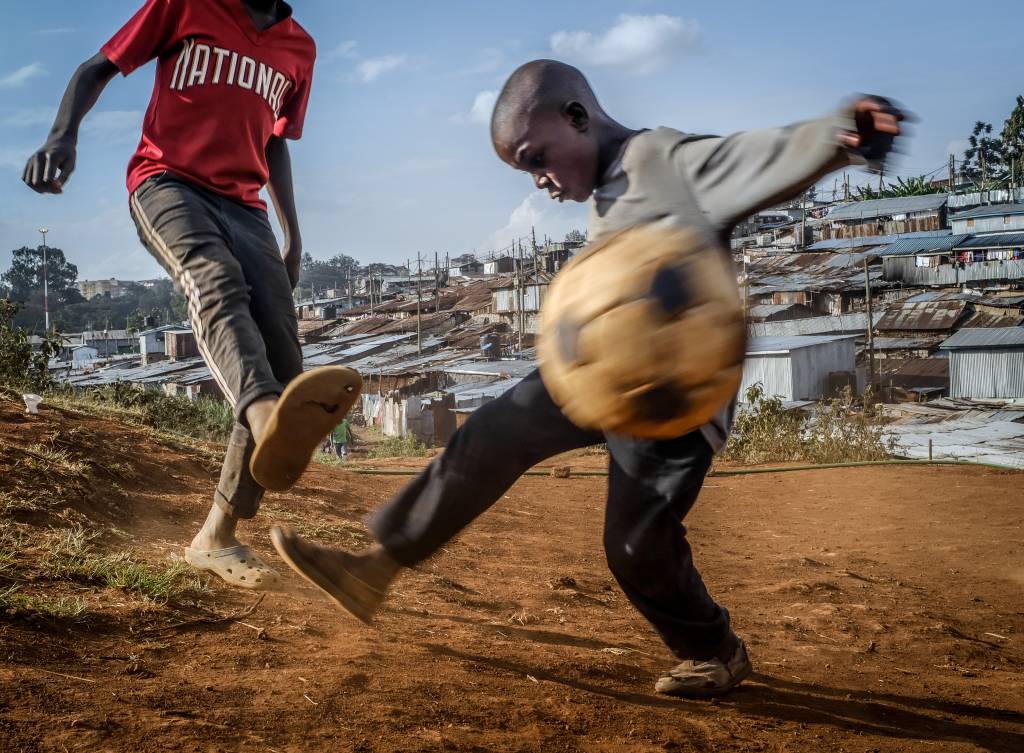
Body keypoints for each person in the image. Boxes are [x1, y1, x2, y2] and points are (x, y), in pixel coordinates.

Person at [270, 59, 904, 697]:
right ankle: (373, 570)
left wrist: (840, 134)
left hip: (672, 399)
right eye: (527, 171)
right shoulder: (609, 189)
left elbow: (750, 156)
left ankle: (714, 648)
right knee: (491, 432)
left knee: (634, 546)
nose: (540, 182)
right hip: (599, 373)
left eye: (536, 159)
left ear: (577, 117)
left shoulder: (661, 159)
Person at [23, 0, 362, 590]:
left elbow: (277, 142)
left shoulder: (297, 48)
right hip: (167, 183)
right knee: (216, 282)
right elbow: (93, 69)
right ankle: (262, 414)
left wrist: (294, 236)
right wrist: (63, 137)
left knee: (283, 353)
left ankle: (216, 535)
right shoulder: (186, 5)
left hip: (247, 206)